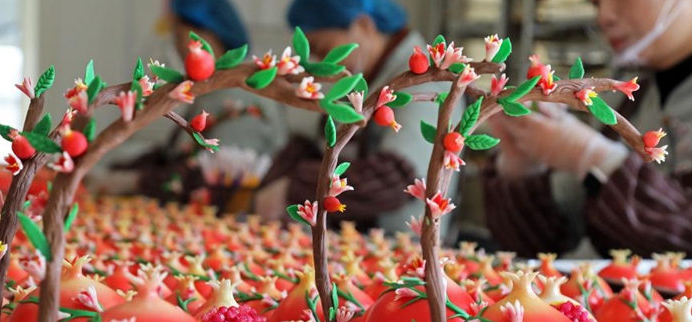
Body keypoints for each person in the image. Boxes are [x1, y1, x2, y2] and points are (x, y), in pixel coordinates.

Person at [483, 0, 692, 258]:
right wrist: (523, 166)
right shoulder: (624, 99)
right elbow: (551, 248)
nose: (604, 16)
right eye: (596, 2)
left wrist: (597, 158)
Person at [257, 0, 464, 236]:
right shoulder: (363, 75)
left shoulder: (423, 77)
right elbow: (324, 148)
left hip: (401, 246)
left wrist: (294, 187)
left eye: (325, 51)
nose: (320, 65)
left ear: (364, 25)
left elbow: (394, 179)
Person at [93, 0, 287, 209]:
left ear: (210, 36)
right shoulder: (210, 92)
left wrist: (134, 181)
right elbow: (176, 156)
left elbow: (212, 174)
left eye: (180, 37)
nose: (177, 48)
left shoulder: (245, 95)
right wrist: (112, 168)